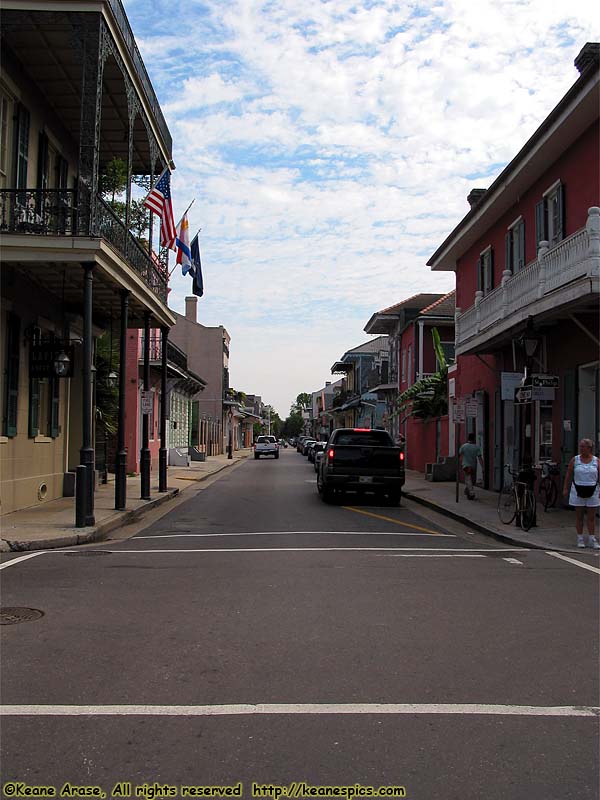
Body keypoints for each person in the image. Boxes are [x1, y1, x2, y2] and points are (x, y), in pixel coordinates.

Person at [563, 438, 600, 549]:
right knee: (579, 516)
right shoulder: (575, 460)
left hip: (593, 489)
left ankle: (592, 538)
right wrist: (565, 488)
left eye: (583, 447)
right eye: (581, 447)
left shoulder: (596, 461)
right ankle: (580, 537)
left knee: (591, 516)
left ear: (589, 448)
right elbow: (569, 475)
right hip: (578, 489)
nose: (581, 449)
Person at [459, 433, 484, 500]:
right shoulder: (476, 447)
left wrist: (459, 464)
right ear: (474, 439)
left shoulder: (463, 446)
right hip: (473, 466)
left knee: (468, 479)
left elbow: (460, 455)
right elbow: (480, 458)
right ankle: (470, 492)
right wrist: (482, 467)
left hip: (465, 465)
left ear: (468, 438)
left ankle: (469, 491)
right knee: (471, 480)